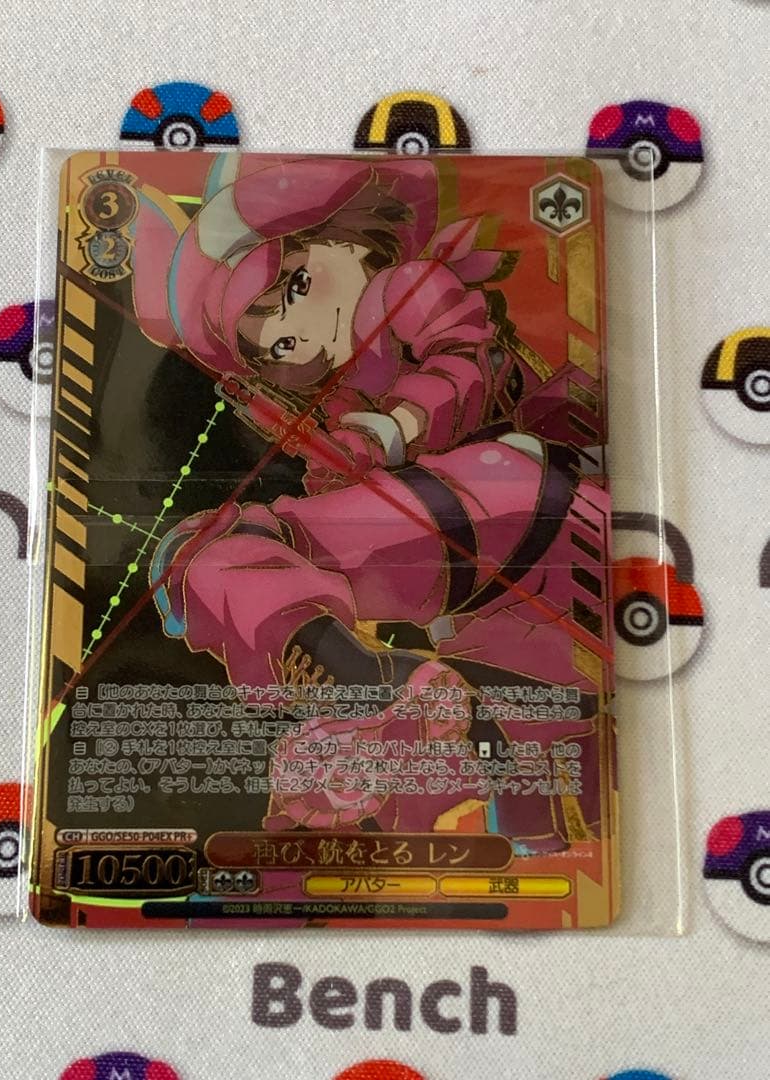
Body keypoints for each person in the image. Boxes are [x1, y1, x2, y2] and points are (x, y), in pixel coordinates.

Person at [132, 154, 609, 853]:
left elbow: (462, 360)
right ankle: (366, 701)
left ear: (343, 240)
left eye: (294, 287)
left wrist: (388, 429)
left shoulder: (400, 287)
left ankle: (365, 683)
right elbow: (355, 493)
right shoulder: (334, 390)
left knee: (221, 549)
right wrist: (331, 457)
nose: (300, 336)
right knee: (539, 808)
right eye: (278, 346)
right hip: (493, 608)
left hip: (512, 491)